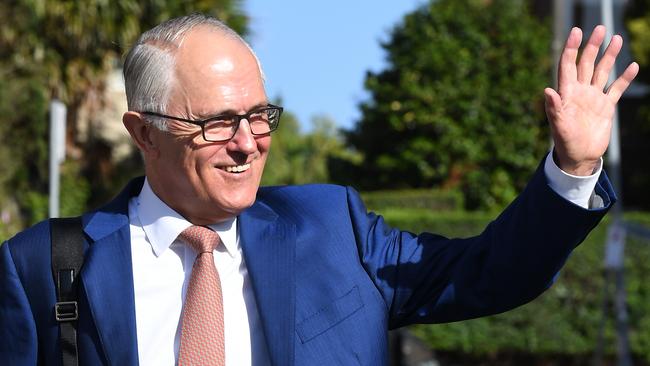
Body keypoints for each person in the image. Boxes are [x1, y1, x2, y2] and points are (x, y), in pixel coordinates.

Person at [0, 13, 639, 366]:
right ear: (144, 132)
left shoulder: (334, 227)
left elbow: (493, 273)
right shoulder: (44, 265)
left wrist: (571, 167)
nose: (248, 142)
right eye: (218, 123)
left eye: (259, 116)